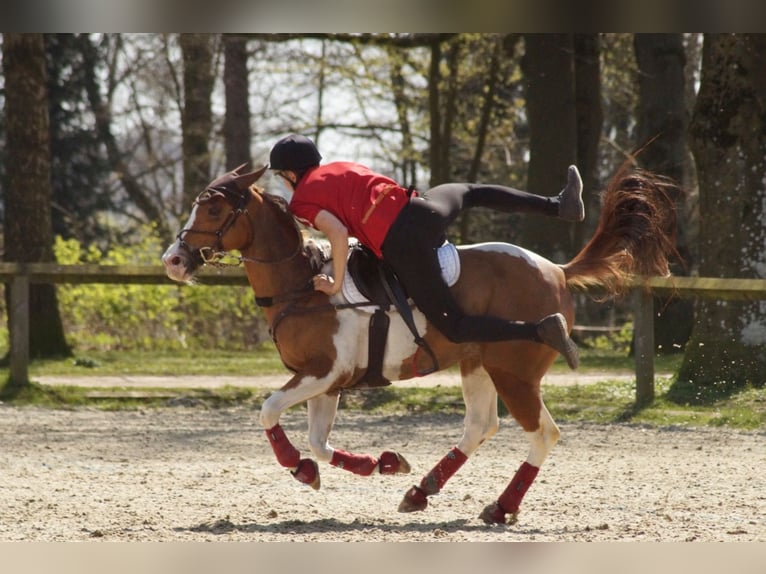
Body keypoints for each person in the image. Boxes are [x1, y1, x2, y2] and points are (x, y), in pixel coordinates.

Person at [269, 133, 582, 369]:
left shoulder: (302, 201)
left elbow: (336, 234)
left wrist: (335, 283)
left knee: (456, 327)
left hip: (405, 242)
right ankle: (559, 206)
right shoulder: (339, 167)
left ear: (291, 174)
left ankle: (540, 331)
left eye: (281, 177)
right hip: (422, 207)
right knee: (473, 192)